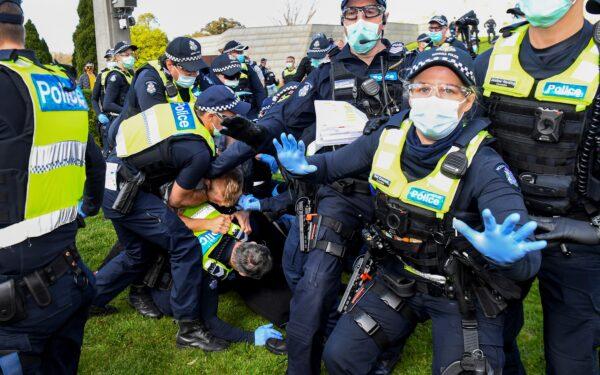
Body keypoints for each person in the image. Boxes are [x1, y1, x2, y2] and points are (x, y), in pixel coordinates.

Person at [274, 45, 544, 375]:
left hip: (460, 290)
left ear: (468, 101)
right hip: (399, 276)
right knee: (341, 356)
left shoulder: (485, 166)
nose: (434, 98)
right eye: (424, 88)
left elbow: (528, 259)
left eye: (448, 90)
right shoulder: (388, 137)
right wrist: (306, 166)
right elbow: (333, 164)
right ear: (410, 95)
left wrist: (511, 257)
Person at [208, 0, 408, 373]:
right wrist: (252, 131)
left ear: (384, 18)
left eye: (370, 13)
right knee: (315, 283)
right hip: (341, 190)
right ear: (343, 21)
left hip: (398, 194)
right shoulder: (326, 72)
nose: (361, 22)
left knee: (396, 282)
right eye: (352, 14)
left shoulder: (408, 65)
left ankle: (378, 353)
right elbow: (283, 116)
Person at [474, 0, 600, 373]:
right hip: (502, 229)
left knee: (571, 361)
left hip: (578, 239)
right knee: (489, 345)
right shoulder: (490, 59)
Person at [92, 85, 251, 352]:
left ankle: (90, 301)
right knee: (185, 245)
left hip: (114, 179)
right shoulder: (199, 150)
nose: (234, 121)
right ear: (212, 117)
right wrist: (208, 198)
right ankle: (189, 328)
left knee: (136, 253)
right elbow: (177, 201)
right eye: (231, 115)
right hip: (127, 192)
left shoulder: (184, 110)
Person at [0, 1, 105, 373]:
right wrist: (86, 207)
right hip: (66, 272)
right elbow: (93, 161)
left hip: (15, 307)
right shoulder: (56, 80)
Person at [222, 40, 266, 119]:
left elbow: (259, 90)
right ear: (228, 54)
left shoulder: (248, 67)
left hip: (250, 110)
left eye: (241, 52)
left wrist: (262, 109)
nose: (241, 55)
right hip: (230, 111)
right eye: (238, 52)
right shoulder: (219, 70)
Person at [91, 48, 114, 153]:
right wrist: (99, 114)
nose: (110, 61)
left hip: (123, 115)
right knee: (108, 152)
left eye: (112, 58)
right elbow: (94, 98)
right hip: (107, 117)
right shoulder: (101, 76)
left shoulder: (126, 75)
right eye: (108, 59)